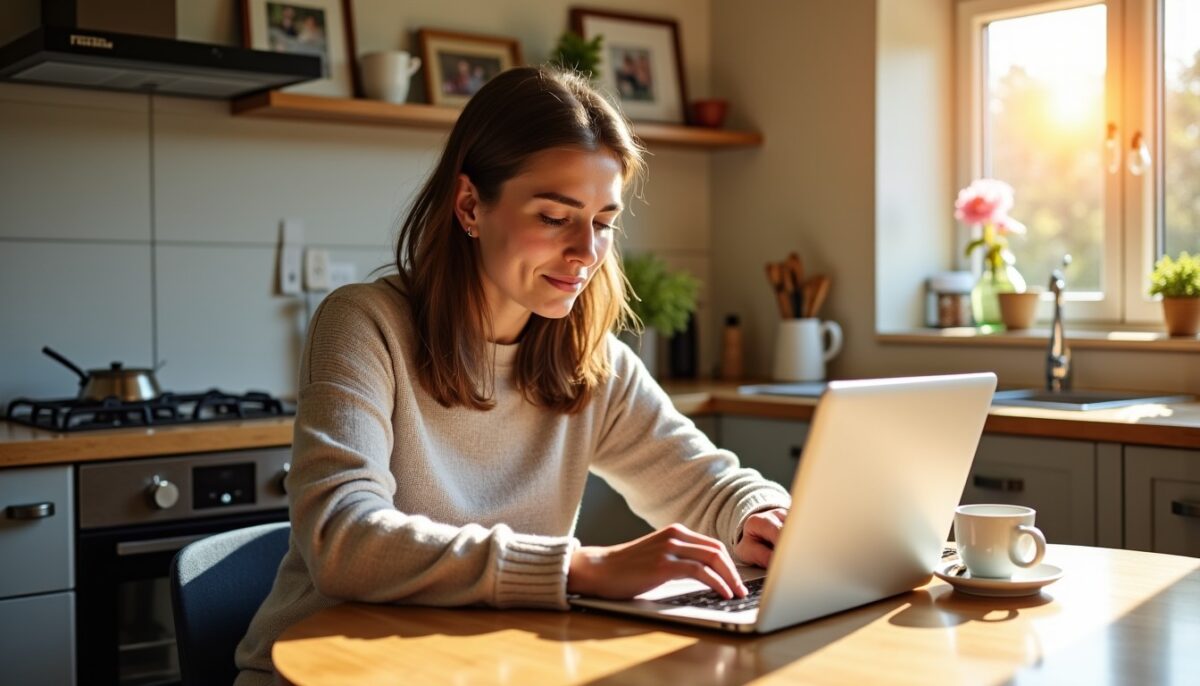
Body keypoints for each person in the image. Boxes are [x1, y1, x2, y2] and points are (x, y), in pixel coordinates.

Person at [233, 66, 791, 685]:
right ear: (470, 204)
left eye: (603, 222)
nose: (586, 252)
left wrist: (760, 515)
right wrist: (579, 567)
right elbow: (344, 541)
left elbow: (706, 484)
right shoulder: (364, 325)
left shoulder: (589, 358)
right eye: (556, 217)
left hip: (479, 670)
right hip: (327, 671)